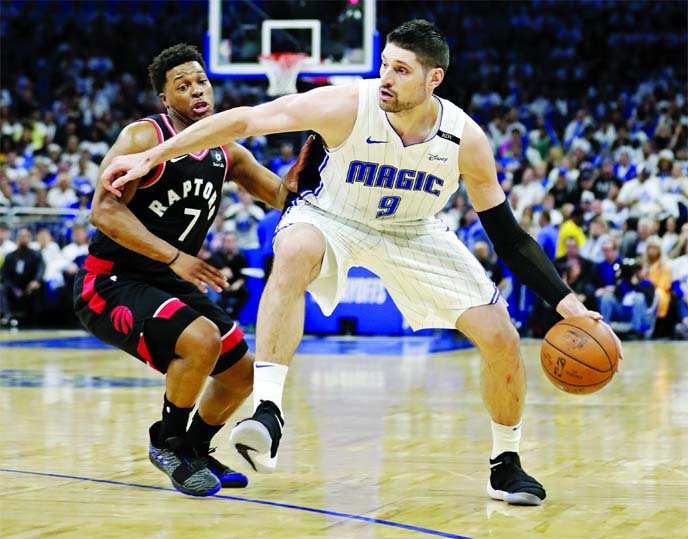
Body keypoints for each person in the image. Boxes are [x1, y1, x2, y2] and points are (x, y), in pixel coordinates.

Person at [103, 21, 623, 506]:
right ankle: (268, 410)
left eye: (401, 70)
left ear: (433, 78)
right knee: (293, 251)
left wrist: (568, 304)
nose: (386, 78)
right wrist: (152, 156)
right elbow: (244, 120)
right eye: (384, 65)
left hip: (414, 231)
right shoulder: (348, 104)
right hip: (333, 216)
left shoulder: (466, 139)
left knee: (502, 338)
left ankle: (505, 462)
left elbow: (509, 237)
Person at [75, 43, 307, 497]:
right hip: (111, 280)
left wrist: (304, 178)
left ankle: (197, 449)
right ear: (165, 99)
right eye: (183, 86)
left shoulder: (227, 152)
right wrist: (176, 257)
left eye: (201, 81)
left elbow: (283, 196)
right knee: (200, 339)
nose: (197, 90)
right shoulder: (143, 138)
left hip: (165, 280)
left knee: (241, 370)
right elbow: (103, 212)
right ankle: (168, 444)